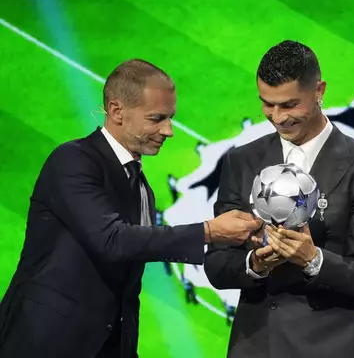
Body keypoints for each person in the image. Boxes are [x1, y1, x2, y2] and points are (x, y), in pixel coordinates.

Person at [0, 59, 262, 358]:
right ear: (116, 112)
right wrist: (209, 231)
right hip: (46, 342)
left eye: (170, 118)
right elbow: (112, 241)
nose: (169, 130)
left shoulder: (141, 187)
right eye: (156, 118)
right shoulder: (73, 161)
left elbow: (135, 266)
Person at [203, 40, 354, 358]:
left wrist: (312, 259)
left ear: (319, 91)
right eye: (267, 104)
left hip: (332, 346)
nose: (278, 117)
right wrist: (255, 264)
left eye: (289, 105)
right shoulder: (242, 161)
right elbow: (217, 265)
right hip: (257, 346)